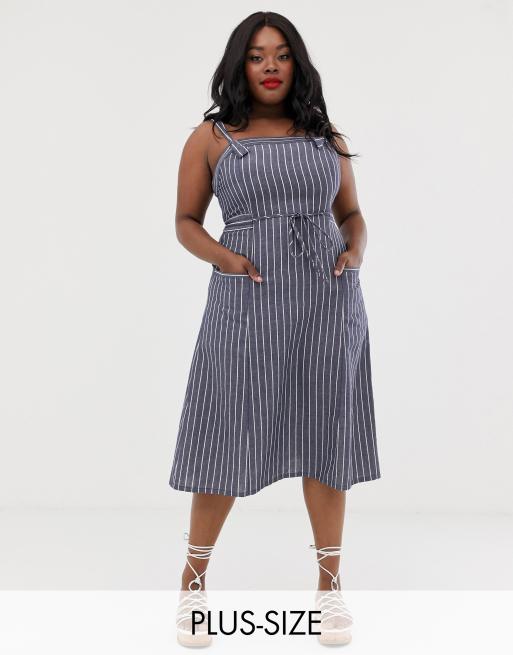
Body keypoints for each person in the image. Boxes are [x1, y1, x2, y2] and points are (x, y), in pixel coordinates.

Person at [169, 11, 382, 647]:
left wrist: (355, 250)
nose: (269, 66)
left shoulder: (325, 136)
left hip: (327, 302)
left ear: (297, 64)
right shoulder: (211, 138)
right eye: (257, 55)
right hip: (247, 301)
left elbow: (352, 213)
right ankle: (193, 582)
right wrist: (226, 259)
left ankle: (330, 587)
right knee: (225, 435)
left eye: (282, 54)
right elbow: (185, 222)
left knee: (326, 436)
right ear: (240, 65)